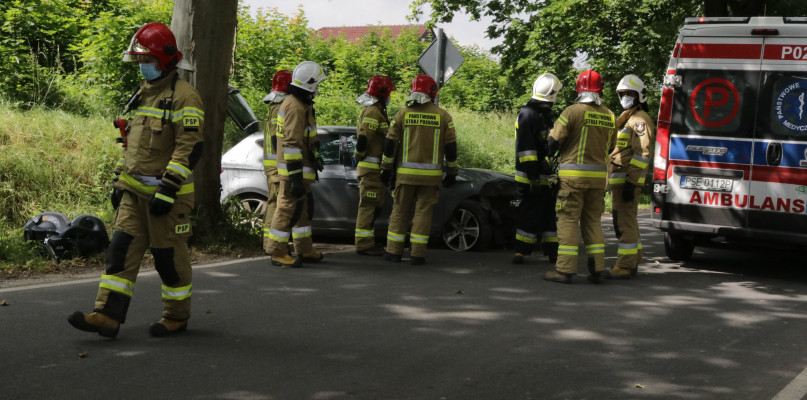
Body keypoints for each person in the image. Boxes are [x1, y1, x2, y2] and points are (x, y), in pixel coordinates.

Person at [68, 22, 204, 338]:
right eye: (140, 60)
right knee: (120, 251)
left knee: (168, 258)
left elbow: (191, 146)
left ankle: (176, 316)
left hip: (168, 198)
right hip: (134, 192)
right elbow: (131, 143)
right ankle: (107, 315)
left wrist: (169, 189)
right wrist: (120, 180)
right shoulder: (143, 94)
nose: (143, 66)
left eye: (149, 60)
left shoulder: (185, 98)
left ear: (167, 60)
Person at [544, 69, 616, 284]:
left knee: (567, 220)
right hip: (597, 181)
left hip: (571, 179)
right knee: (593, 221)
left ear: (579, 88)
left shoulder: (571, 112)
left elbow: (553, 143)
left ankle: (564, 270)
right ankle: (597, 268)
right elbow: (611, 147)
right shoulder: (610, 115)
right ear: (600, 90)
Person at [380, 74, 458, 265]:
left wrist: (386, 168)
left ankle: (393, 252)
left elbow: (390, 143)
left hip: (405, 177)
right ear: (432, 93)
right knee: (423, 213)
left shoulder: (402, 114)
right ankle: (417, 254)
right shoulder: (443, 116)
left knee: (400, 211)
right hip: (430, 179)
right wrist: (452, 172)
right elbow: (451, 147)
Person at [265, 61, 327, 268]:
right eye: (316, 84)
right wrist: (295, 176)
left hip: (302, 168)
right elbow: (291, 143)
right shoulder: (295, 106)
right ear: (309, 85)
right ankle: (277, 252)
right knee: (286, 208)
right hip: (294, 170)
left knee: (303, 210)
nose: (318, 89)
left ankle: (304, 248)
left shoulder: (301, 104)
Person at [603, 74, 655, 279]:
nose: (625, 96)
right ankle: (634, 260)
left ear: (639, 95)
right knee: (627, 220)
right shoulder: (628, 118)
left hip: (627, 183)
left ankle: (625, 266)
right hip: (621, 182)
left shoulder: (640, 120)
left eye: (630, 93)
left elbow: (642, 154)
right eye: (622, 93)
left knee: (624, 222)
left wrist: (631, 183)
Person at [512, 73, 562, 265]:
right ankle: (521, 251)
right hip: (530, 175)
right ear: (551, 94)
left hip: (545, 174)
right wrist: (533, 174)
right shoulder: (528, 114)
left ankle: (552, 251)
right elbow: (526, 149)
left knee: (549, 214)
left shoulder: (543, 113)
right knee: (529, 212)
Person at [353, 75, 396, 256]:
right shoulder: (372, 111)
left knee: (374, 206)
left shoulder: (377, 111)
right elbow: (365, 137)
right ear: (383, 93)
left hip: (374, 170)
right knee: (368, 207)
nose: (389, 97)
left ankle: (367, 242)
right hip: (371, 169)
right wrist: (359, 155)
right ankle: (364, 244)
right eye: (388, 93)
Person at [262, 70, 293, 257]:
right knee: (275, 203)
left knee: (276, 202)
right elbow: (276, 139)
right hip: (276, 166)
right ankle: (269, 243)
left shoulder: (277, 105)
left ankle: (271, 242)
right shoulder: (278, 107)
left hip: (274, 164)